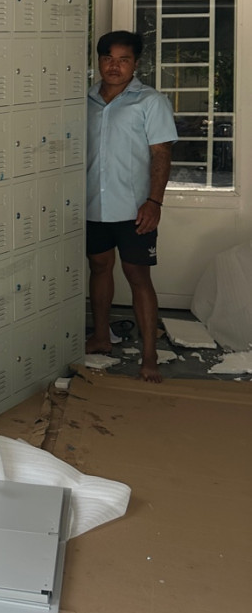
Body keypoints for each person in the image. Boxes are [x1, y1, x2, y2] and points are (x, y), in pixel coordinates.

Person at [85, 31, 177, 383]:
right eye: (108, 58)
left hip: (135, 207)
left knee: (138, 276)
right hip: (93, 205)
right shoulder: (84, 100)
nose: (114, 66)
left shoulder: (150, 101)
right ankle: (101, 337)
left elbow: (161, 154)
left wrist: (154, 202)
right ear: (99, 61)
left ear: (135, 64)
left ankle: (149, 357)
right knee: (99, 267)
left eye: (123, 60)